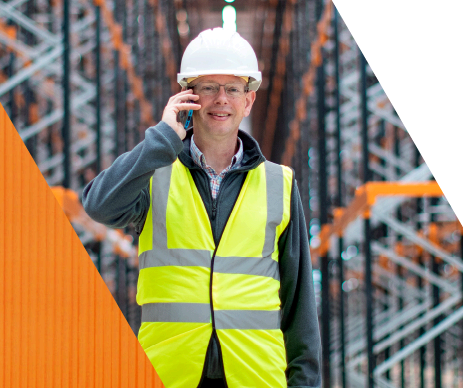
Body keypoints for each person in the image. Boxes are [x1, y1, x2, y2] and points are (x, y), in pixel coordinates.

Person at [82, 28, 321, 388]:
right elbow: (99, 205)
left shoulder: (280, 184)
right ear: (188, 97)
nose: (221, 99)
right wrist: (161, 140)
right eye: (208, 87)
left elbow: (299, 301)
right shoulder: (155, 174)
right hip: (169, 375)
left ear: (249, 100)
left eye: (233, 88)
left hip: (256, 376)